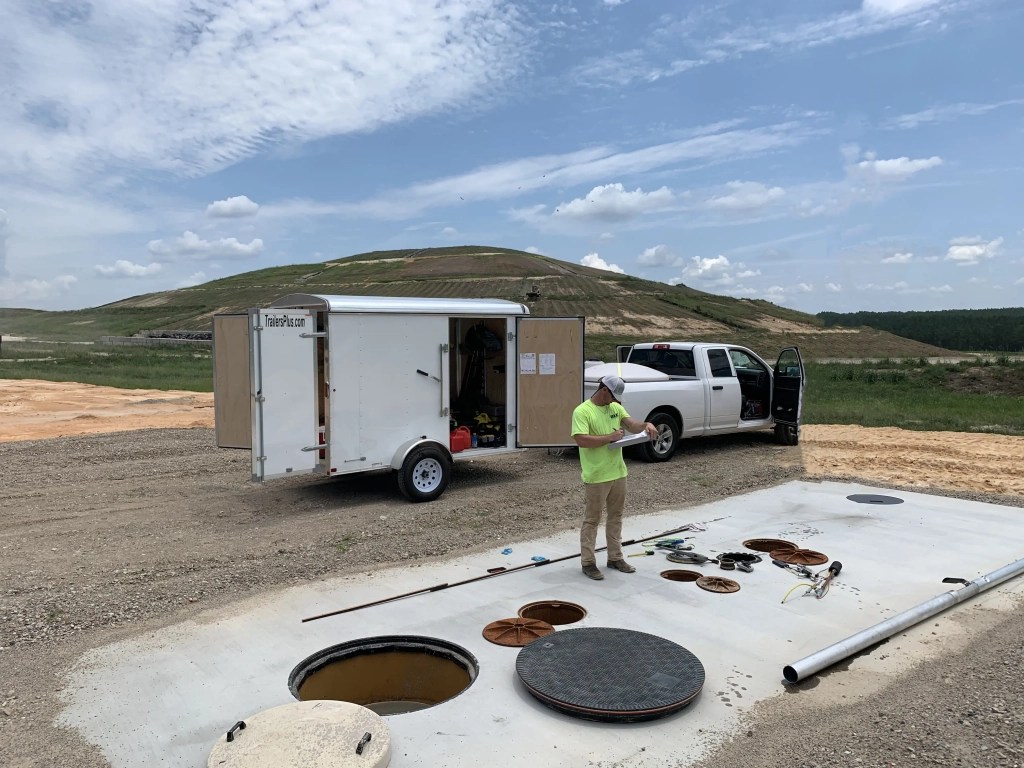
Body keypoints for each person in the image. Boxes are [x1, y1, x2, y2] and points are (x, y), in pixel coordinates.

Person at [571, 374, 658, 580]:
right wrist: (609, 437)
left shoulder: (615, 408)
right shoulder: (582, 411)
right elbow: (581, 440)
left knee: (616, 516)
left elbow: (631, 424)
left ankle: (615, 558)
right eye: (613, 396)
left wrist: (646, 425)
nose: (616, 401)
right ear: (604, 390)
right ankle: (588, 562)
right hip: (596, 475)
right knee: (592, 520)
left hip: (618, 472)